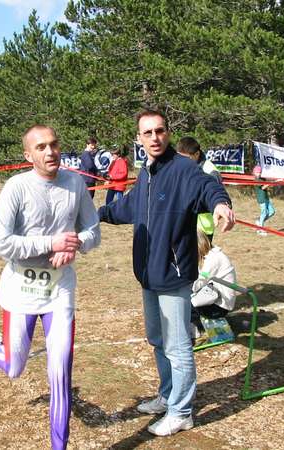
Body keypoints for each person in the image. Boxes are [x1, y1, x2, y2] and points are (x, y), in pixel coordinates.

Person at [98, 110, 235, 436]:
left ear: (168, 133)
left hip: (173, 275)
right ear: (139, 138)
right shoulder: (146, 173)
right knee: (158, 339)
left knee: (177, 346)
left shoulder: (183, 169)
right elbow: (128, 207)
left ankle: (181, 412)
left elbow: (209, 188)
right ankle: (168, 395)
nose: (155, 137)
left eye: (159, 130)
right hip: (148, 274)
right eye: (147, 133)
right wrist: (96, 214)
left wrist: (220, 204)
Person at [0, 125, 101, 449]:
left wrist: (75, 245)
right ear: (28, 155)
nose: (50, 152)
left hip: (59, 291)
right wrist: (51, 243)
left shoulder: (75, 183)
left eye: (54, 144)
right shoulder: (17, 187)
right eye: (41, 147)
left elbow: (93, 231)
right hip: (20, 290)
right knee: (15, 368)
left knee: (60, 373)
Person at [190, 230, 236, 335]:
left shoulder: (213, 260)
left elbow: (197, 284)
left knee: (184, 301)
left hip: (220, 306)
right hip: (213, 296)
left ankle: (194, 330)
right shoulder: (210, 255)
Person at [176, 137, 221, 242]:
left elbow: (211, 198)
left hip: (202, 229)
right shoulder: (181, 167)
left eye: (186, 158)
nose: (181, 162)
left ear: (197, 154)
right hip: (182, 224)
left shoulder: (210, 171)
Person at [252, 165, 275, 235]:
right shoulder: (256, 180)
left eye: (259, 172)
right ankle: (260, 229)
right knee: (264, 213)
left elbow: (268, 182)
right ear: (254, 173)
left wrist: (275, 181)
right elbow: (263, 187)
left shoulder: (262, 178)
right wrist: (270, 183)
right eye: (257, 172)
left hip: (266, 197)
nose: (258, 174)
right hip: (261, 198)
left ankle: (259, 222)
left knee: (272, 212)